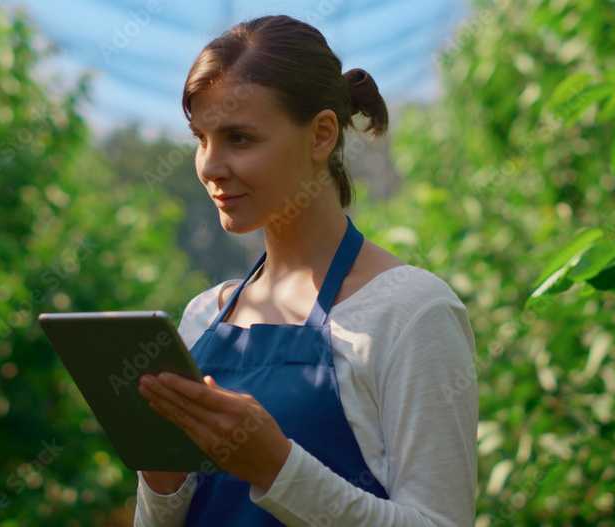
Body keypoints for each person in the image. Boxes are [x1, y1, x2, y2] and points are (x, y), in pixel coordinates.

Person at [134, 14, 477, 526]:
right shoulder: (202, 316)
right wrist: (163, 484)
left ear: (320, 136)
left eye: (240, 138)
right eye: (201, 138)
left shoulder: (411, 313)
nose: (210, 165)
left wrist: (277, 468)